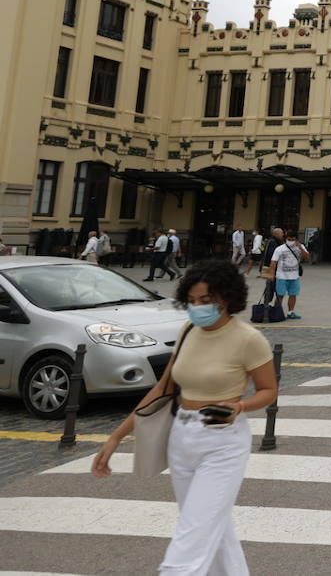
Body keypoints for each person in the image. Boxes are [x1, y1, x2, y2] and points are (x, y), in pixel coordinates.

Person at [91, 260, 277, 574]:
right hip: (182, 437)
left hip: (222, 441)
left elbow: (269, 390)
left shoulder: (248, 339)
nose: (197, 307)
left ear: (227, 298)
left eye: (206, 301)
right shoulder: (188, 330)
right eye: (192, 301)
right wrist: (116, 436)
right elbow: (162, 390)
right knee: (211, 528)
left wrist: (241, 406)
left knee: (193, 534)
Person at [268, 229, 309, 320]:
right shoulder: (280, 248)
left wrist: (300, 247)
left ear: (296, 239)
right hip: (281, 276)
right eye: (289, 239)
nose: (290, 241)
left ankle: (290, 312)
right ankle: (277, 312)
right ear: (285, 239)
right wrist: (271, 274)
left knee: (293, 294)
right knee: (280, 295)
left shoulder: (300, 247)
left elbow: (306, 257)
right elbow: (273, 262)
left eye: (292, 239)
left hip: (295, 276)